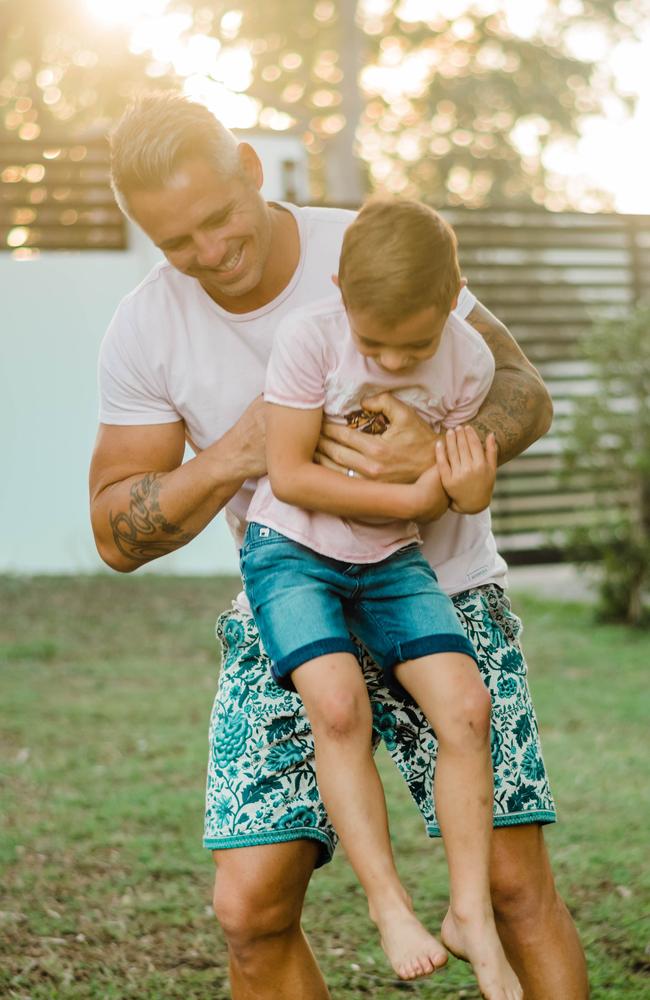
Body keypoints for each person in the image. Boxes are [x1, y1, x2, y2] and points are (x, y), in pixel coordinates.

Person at [89, 92, 588, 999]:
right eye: (175, 243)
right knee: (249, 907)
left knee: (514, 887)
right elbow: (114, 531)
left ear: (251, 167)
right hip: (289, 592)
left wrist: (443, 456)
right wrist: (233, 459)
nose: (208, 254)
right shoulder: (145, 327)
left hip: (438, 583)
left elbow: (519, 385)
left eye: (216, 220)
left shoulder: (369, 248)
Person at [241, 196, 522, 997]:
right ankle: (389, 904)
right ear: (338, 290)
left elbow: (455, 487)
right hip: (292, 551)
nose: (395, 365)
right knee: (336, 705)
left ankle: (470, 914)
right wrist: (417, 498)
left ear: (452, 295)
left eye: (416, 344)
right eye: (376, 344)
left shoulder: (469, 360)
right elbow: (290, 474)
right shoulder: (310, 339)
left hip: (392, 562)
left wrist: (464, 486)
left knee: (466, 707)